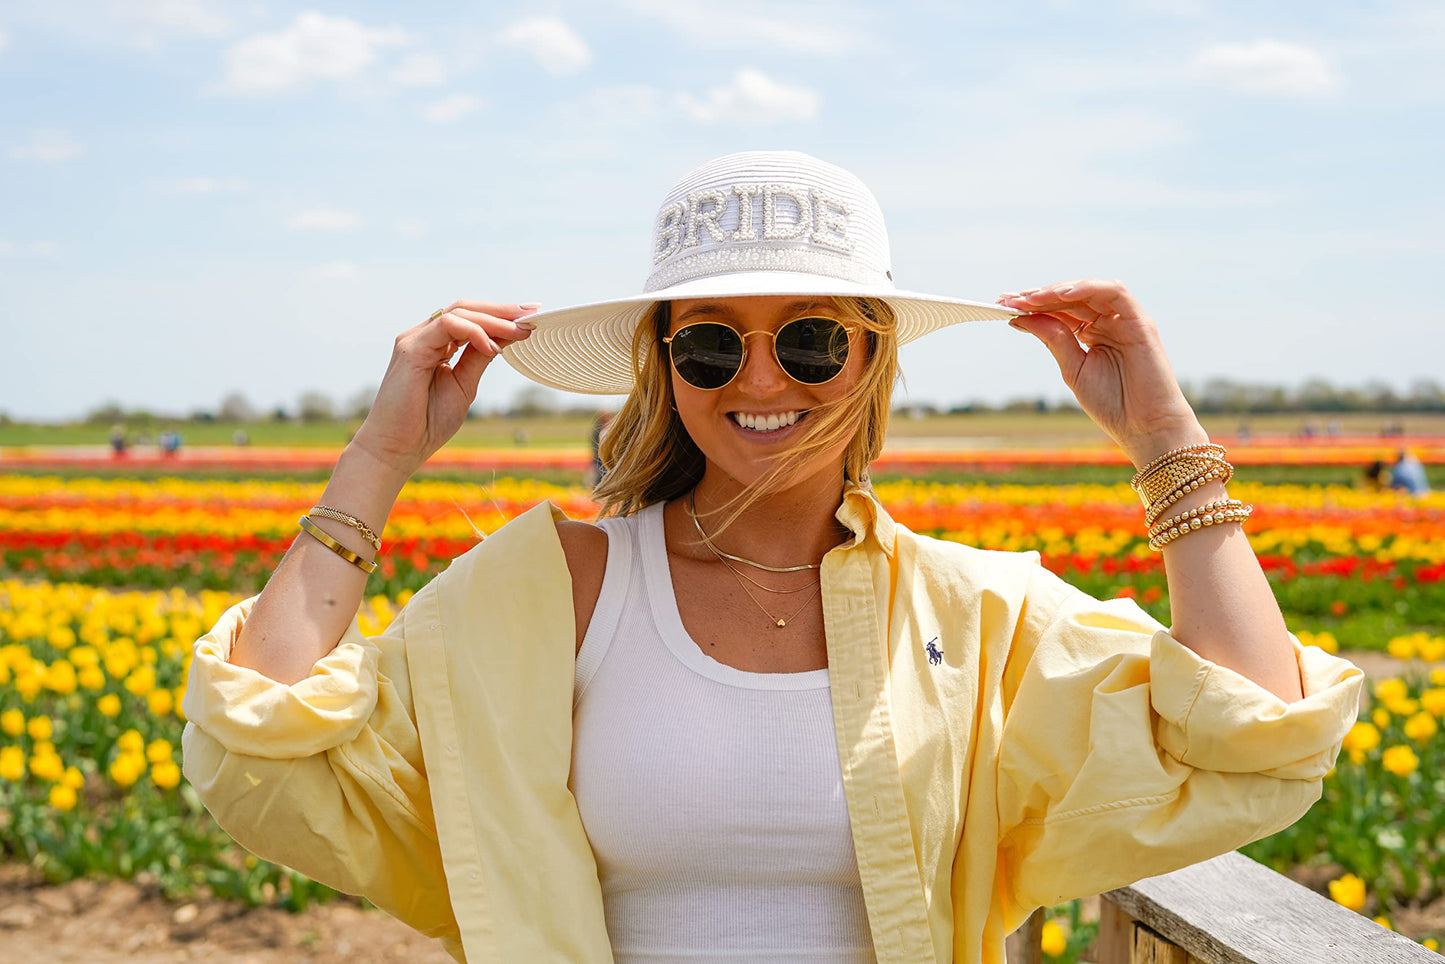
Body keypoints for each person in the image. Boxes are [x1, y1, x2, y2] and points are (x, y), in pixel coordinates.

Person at [181, 151, 1363, 964]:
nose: (759, 380)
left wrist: (1162, 438)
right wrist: (383, 453)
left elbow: (1256, 734)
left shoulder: (973, 611)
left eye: (808, 340)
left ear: (872, 359)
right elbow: (258, 745)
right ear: (658, 365)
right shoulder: (552, 588)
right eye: (708, 345)